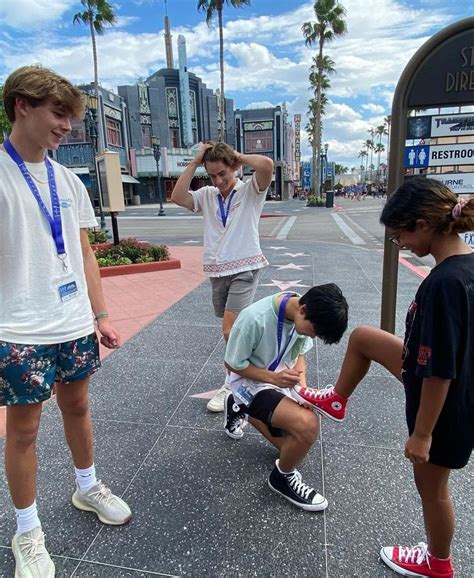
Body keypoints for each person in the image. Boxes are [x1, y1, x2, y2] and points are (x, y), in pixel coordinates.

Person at [293, 178, 473, 578]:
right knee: (363, 338)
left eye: (399, 236)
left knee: (432, 489)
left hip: (443, 404)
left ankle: (438, 563)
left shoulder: (444, 284)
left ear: (423, 224)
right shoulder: (466, 266)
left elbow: (440, 370)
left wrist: (423, 434)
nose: (400, 244)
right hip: (440, 377)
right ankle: (336, 399)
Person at [0, 65, 132, 578]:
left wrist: (99, 314)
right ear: (22, 106)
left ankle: (87, 487)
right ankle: (27, 530)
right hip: (19, 329)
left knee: (78, 407)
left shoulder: (67, 180)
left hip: (73, 321)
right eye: (58, 114)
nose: (66, 127)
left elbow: (83, 253)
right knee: (24, 431)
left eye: (71, 118)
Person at [223, 285, 348, 511]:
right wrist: (274, 378)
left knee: (292, 447)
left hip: (280, 378)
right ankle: (282, 478)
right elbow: (232, 364)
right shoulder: (254, 318)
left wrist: (302, 389)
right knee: (307, 426)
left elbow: (299, 354)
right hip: (248, 382)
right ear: (304, 310)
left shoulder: (300, 313)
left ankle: (239, 408)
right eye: (314, 331)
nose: (313, 336)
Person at [171, 141, 273, 412]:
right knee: (237, 330)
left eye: (223, 174)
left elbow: (267, 166)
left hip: (245, 268)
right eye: (213, 175)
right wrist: (195, 162)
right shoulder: (206, 195)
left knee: (230, 330)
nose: (218, 181)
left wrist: (237, 156)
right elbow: (178, 196)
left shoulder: (251, 191)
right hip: (218, 270)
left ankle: (232, 383)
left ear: (234, 169)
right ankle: (259, 367)